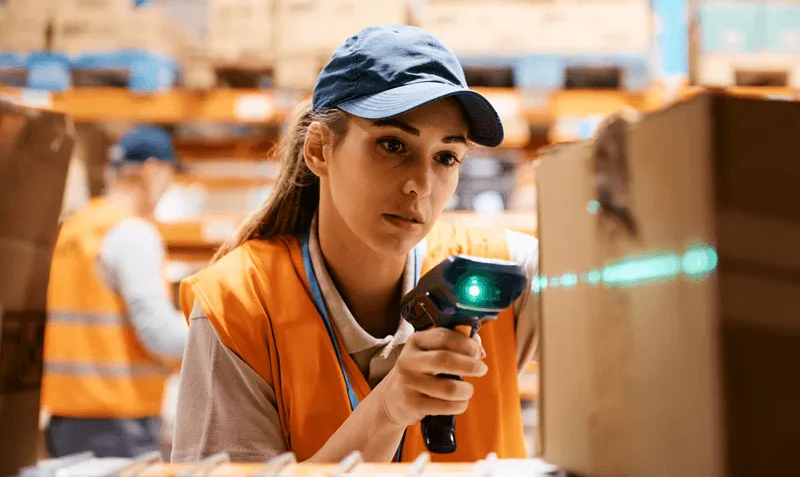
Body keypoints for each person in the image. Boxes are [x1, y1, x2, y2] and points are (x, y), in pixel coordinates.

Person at [172, 25, 539, 464]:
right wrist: (386, 411)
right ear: (319, 150)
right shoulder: (238, 307)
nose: (421, 185)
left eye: (446, 157)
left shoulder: (507, 272)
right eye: (391, 144)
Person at [41, 125, 188, 458]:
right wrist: (227, 336)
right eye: (169, 175)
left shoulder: (75, 229)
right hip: (117, 422)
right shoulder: (131, 233)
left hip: (66, 420)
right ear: (151, 171)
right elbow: (158, 333)